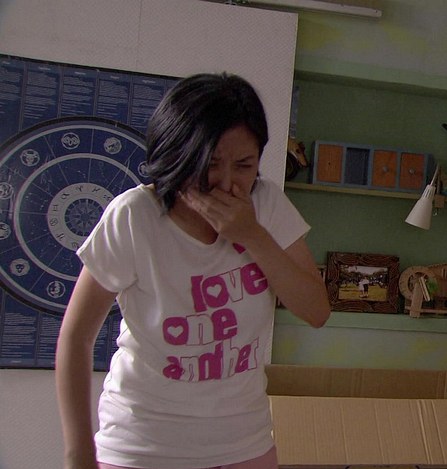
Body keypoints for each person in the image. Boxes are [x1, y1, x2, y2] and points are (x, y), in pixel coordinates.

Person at [55, 72, 331, 469]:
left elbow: (316, 311)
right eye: (210, 164)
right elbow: (76, 337)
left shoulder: (266, 205)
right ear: (178, 154)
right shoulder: (135, 216)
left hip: (244, 443)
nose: (227, 183)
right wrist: (78, 455)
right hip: (142, 446)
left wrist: (252, 236)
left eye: (244, 165)